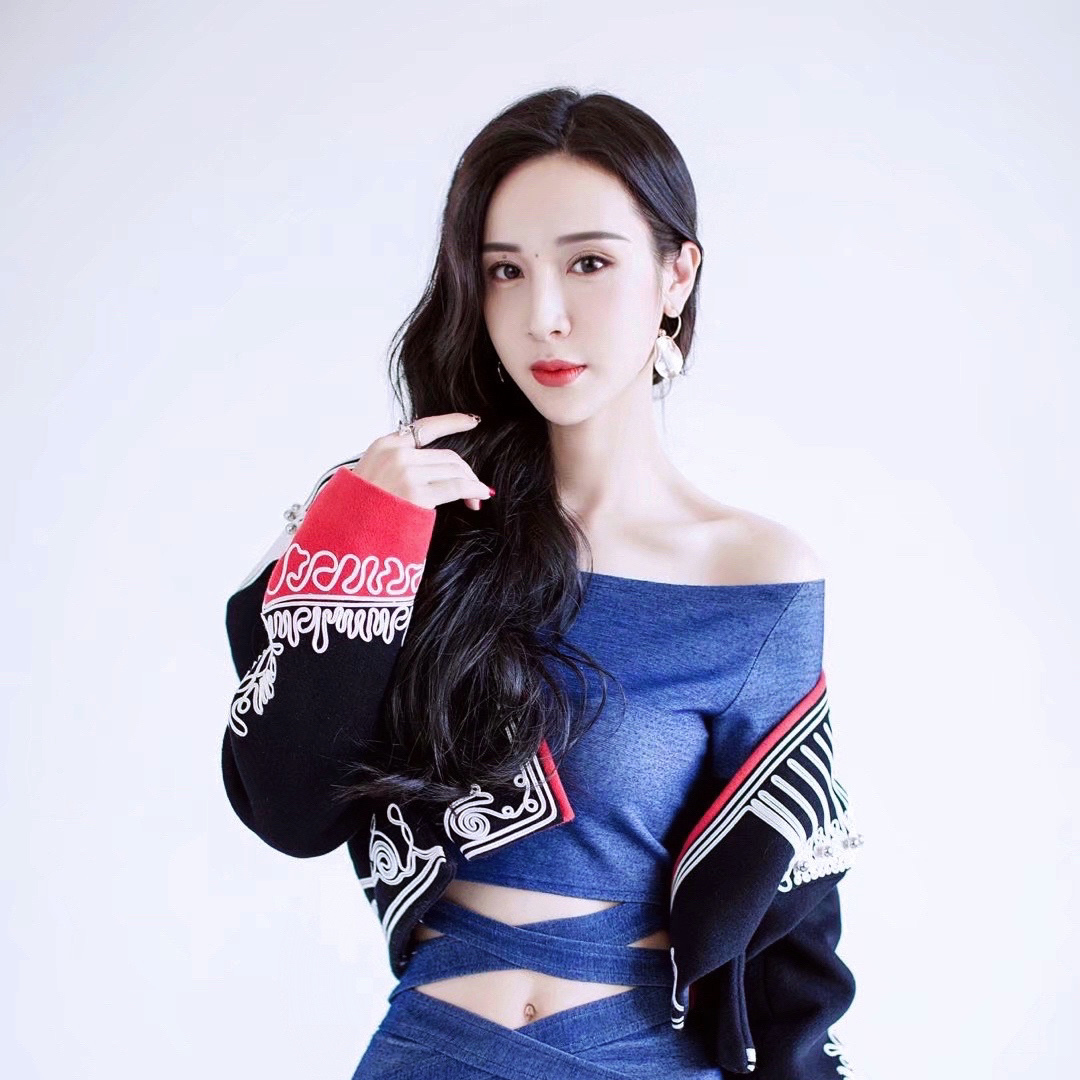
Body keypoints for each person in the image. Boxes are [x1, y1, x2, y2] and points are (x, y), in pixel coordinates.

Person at [221, 86, 864, 1079]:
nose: (544, 316)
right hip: (429, 1057)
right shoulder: (408, 522)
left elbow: (792, 920)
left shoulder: (757, 577)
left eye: (589, 263)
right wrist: (363, 533)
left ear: (676, 274)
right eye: (505, 271)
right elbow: (289, 807)